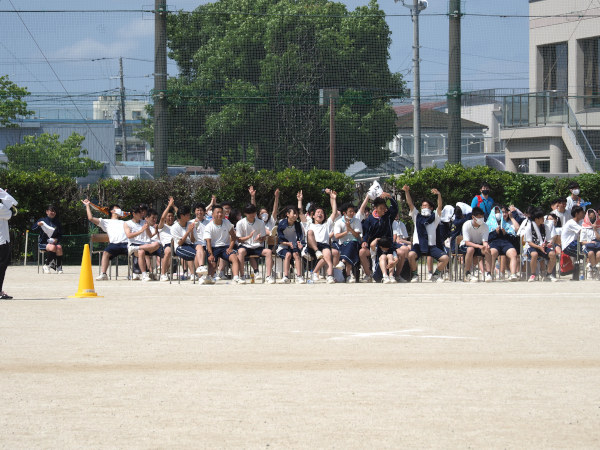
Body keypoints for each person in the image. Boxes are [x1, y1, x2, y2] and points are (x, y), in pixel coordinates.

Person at [404, 185, 448, 283]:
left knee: (445, 258)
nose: (424, 207)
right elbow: (410, 204)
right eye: (423, 206)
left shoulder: (435, 218)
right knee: (411, 255)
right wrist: (407, 192)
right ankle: (415, 275)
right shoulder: (417, 216)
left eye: (426, 206)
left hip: (431, 246)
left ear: (431, 208)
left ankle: (436, 275)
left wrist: (439, 195)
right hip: (418, 245)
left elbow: (440, 207)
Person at [84, 199, 129, 281]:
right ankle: (103, 274)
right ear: (112, 211)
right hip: (114, 244)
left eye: (120, 209)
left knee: (137, 251)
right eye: (116, 209)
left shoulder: (125, 222)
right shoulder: (106, 222)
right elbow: (90, 218)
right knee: (106, 252)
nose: (119, 210)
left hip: (126, 243)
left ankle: (135, 273)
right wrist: (87, 205)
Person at [360, 191, 398, 282]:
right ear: (375, 208)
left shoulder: (388, 216)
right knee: (362, 252)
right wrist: (364, 241)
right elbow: (366, 233)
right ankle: (369, 274)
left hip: (387, 243)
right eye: (381, 208)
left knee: (392, 255)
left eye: (384, 207)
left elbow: (396, 208)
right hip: (374, 245)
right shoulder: (369, 219)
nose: (383, 210)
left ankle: (393, 276)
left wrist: (390, 197)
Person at [204, 204, 244, 284]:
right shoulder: (209, 226)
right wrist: (211, 254)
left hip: (225, 247)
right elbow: (208, 242)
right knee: (213, 264)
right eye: (217, 212)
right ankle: (209, 277)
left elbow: (233, 236)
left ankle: (236, 277)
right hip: (213, 248)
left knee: (234, 257)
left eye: (221, 212)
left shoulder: (227, 222)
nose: (220, 214)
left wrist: (230, 247)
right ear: (213, 214)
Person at [236, 203, 275, 284]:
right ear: (245, 214)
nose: (252, 215)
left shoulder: (260, 222)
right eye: (249, 213)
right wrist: (249, 237)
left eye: (253, 212)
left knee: (268, 252)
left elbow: (264, 237)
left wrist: (260, 239)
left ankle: (268, 276)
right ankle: (242, 276)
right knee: (240, 252)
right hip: (245, 245)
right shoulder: (240, 223)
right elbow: (239, 239)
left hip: (257, 246)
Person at [305, 190, 338, 284]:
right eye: (318, 212)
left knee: (327, 255)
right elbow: (300, 214)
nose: (320, 213)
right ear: (313, 215)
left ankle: (329, 276)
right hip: (313, 246)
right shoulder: (309, 224)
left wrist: (333, 199)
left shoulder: (327, 224)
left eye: (322, 213)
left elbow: (334, 212)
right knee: (310, 232)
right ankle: (317, 252)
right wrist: (300, 201)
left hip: (324, 245)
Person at [124, 205, 160, 282]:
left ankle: (136, 249)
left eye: (142, 212)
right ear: (134, 214)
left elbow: (150, 235)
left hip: (145, 245)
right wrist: (141, 230)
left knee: (156, 244)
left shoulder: (144, 222)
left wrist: (154, 231)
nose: (142, 214)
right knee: (141, 252)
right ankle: (144, 274)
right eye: (139, 213)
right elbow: (129, 235)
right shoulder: (127, 223)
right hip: (134, 244)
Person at [524, 208, 558, 282]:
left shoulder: (545, 227)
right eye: (542, 218)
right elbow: (529, 242)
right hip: (532, 247)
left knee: (552, 254)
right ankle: (533, 274)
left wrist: (546, 244)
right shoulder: (529, 227)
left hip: (542, 246)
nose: (544, 219)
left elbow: (548, 239)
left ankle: (548, 274)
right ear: (536, 219)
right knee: (534, 254)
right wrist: (539, 247)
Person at [460, 206, 493, 282]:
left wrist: (486, 246)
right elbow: (467, 242)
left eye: (482, 217)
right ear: (473, 217)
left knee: (487, 250)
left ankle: (488, 273)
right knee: (471, 249)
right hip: (466, 245)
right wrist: (479, 246)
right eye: (479, 217)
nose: (481, 219)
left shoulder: (485, 226)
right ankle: (467, 273)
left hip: (479, 245)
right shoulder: (466, 224)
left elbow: (485, 241)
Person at [487, 205, 519, 281]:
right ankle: (490, 274)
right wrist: (495, 232)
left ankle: (513, 274)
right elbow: (487, 238)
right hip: (494, 243)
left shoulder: (506, 224)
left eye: (499, 212)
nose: (498, 214)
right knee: (492, 253)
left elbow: (512, 238)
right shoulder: (488, 224)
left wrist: (505, 234)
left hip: (505, 242)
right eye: (496, 213)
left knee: (513, 253)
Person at [333, 203, 363, 283]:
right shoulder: (339, 222)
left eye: (353, 211)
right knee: (349, 251)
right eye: (350, 211)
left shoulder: (357, 221)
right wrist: (347, 232)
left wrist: (349, 228)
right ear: (344, 213)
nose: (352, 213)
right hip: (342, 244)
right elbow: (337, 236)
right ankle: (349, 276)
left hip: (354, 243)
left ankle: (343, 262)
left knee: (352, 243)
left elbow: (357, 235)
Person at [276, 205, 306, 284]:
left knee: (296, 254)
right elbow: (279, 239)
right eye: (294, 213)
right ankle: (286, 276)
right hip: (283, 246)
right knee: (288, 254)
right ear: (288, 214)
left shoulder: (298, 224)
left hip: (294, 246)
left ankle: (299, 276)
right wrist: (287, 243)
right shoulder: (281, 224)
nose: (295, 215)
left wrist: (299, 242)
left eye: (296, 214)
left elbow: (300, 237)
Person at [34, 205, 64, 274]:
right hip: (43, 243)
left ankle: (59, 267)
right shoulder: (42, 220)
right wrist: (38, 224)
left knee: (59, 247)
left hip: (53, 242)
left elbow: (60, 235)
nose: (53, 213)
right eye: (51, 211)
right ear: (47, 212)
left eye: (54, 211)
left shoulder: (57, 222)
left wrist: (57, 239)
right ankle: (46, 265)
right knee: (53, 247)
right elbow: (33, 228)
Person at [170, 205, 197, 281]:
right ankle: (194, 274)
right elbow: (180, 243)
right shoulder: (174, 227)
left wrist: (191, 232)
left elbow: (193, 240)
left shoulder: (190, 224)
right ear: (182, 216)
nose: (189, 216)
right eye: (187, 215)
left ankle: (198, 274)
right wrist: (188, 231)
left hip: (190, 245)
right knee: (194, 254)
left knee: (201, 251)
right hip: (180, 247)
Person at [0, 188, 17, 299]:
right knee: (1, 266)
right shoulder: (1, 207)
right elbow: (10, 214)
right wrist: (6, 199)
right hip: (1, 240)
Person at [157, 197, 176, 281]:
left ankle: (190, 273)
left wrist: (173, 205)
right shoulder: (162, 227)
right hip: (167, 245)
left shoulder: (176, 225)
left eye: (172, 216)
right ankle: (163, 274)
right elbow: (162, 218)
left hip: (177, 244)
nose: (170, 218)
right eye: (168, 216)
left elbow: (181, 214)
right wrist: (169, 206)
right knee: (168, 251)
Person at [579, 208, 600, 278]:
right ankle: (594, 268)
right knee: (590, 253)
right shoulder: (584, 228)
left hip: (597, 245)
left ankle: (591, 265)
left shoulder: (598, 227)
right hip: (587, 245)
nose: (592, 219)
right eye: (590, 217)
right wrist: (590, 242)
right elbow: (582, 241)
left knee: (599, 254)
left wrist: (595, 230)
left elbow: (599, 238)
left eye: (593, 217)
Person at [191, 202, 210, 277]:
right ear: (195, 211)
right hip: (195, 244)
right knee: (200, 250)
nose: (199, 212)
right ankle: (200, 273)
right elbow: (192, 240)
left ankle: (201, 275)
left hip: (206, 243)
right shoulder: (191, 222)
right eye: (197, 210)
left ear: (205, 212)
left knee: (201, 252)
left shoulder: (208, 223)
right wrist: (192, 229)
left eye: (201, 210)